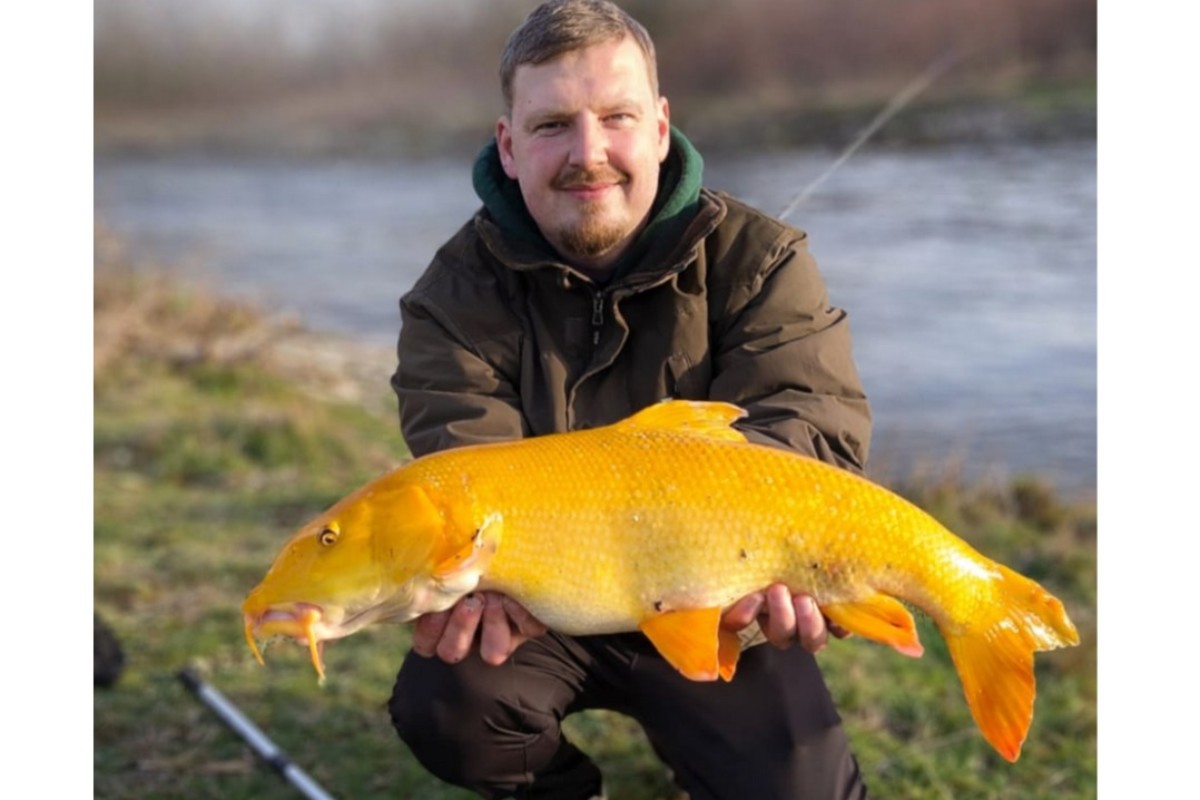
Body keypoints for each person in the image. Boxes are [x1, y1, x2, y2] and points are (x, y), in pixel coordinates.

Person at [388, 1, 872, 797]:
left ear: (659, 127)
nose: (590, 153)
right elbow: (465, 473)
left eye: (616, 117)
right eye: (551, 126)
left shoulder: (763, 259)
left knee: (799, 785)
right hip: (546, 607)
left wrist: (776, 562)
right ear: (507, 146)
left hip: (721, 598)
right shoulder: (450, 297)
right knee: (448, 701)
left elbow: (810, 426)